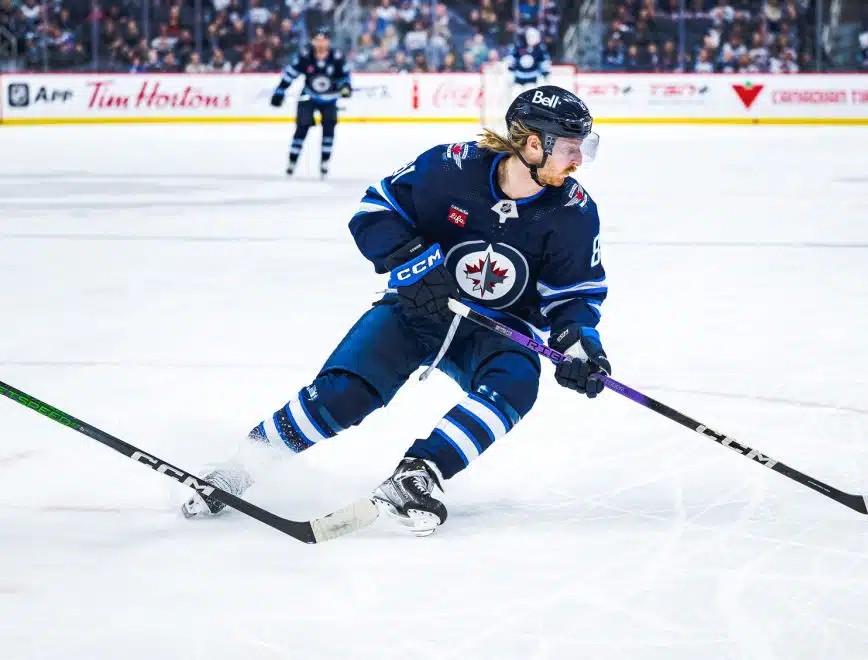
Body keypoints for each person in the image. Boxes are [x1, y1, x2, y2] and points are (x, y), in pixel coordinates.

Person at [182, 86, 609, 537]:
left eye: (583, 147)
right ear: (533, 144)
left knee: (515, 383)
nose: (578, 159)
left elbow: (575, 296)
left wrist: (581, 346)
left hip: (499, 328)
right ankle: (237, 470)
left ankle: (418, 475)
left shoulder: (574, 213)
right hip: (417, 308)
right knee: (342, 395)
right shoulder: (450, 167)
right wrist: (415, 264)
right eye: (570, 147)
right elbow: (375, 210)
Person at [270, 27, 351, 178]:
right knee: (302, 126)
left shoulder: (337, 57)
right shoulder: (305, 56)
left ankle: (324, 162)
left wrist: (346, 87)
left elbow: (344, 77)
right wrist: (280, 91)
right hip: (309, 96)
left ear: (328, 41)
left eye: (323, 40)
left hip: (329, 98)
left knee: (329, 126)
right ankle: (292, 161)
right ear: (313, 41)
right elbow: (290, 75)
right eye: (317, 40)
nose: (320, 43)